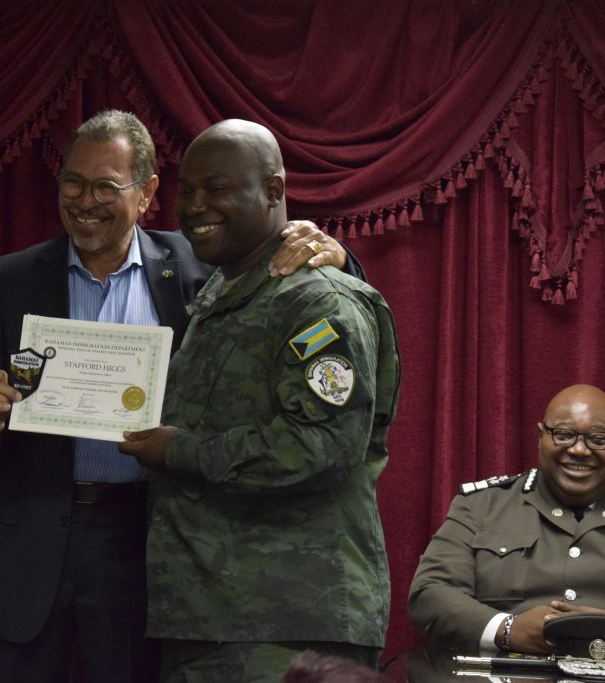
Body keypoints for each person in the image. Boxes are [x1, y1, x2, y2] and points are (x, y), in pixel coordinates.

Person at [0, 109, 364, 683]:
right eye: (73, 182)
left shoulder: (204, 267)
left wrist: (338, 256)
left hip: (146, 538)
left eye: (105, 186)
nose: (84, 201)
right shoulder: (11, 279)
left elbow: (322, 303)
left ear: (146, 194)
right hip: (32, 542)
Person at [118, 119, 400, 680]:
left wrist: (178, 451)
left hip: (289, 623)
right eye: (187, 190)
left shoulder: (317, 301)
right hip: (210, 615)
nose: (195, 206)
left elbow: (321, 445)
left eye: (217, 188)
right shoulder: (220, 294)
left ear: (274, 191)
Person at [408, 384, 605, 655]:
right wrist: (507, 629)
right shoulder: (482, 506)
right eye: (563, 435)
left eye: (598, 439)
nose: (580, 450)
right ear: (540, 436)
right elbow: (430, 593)